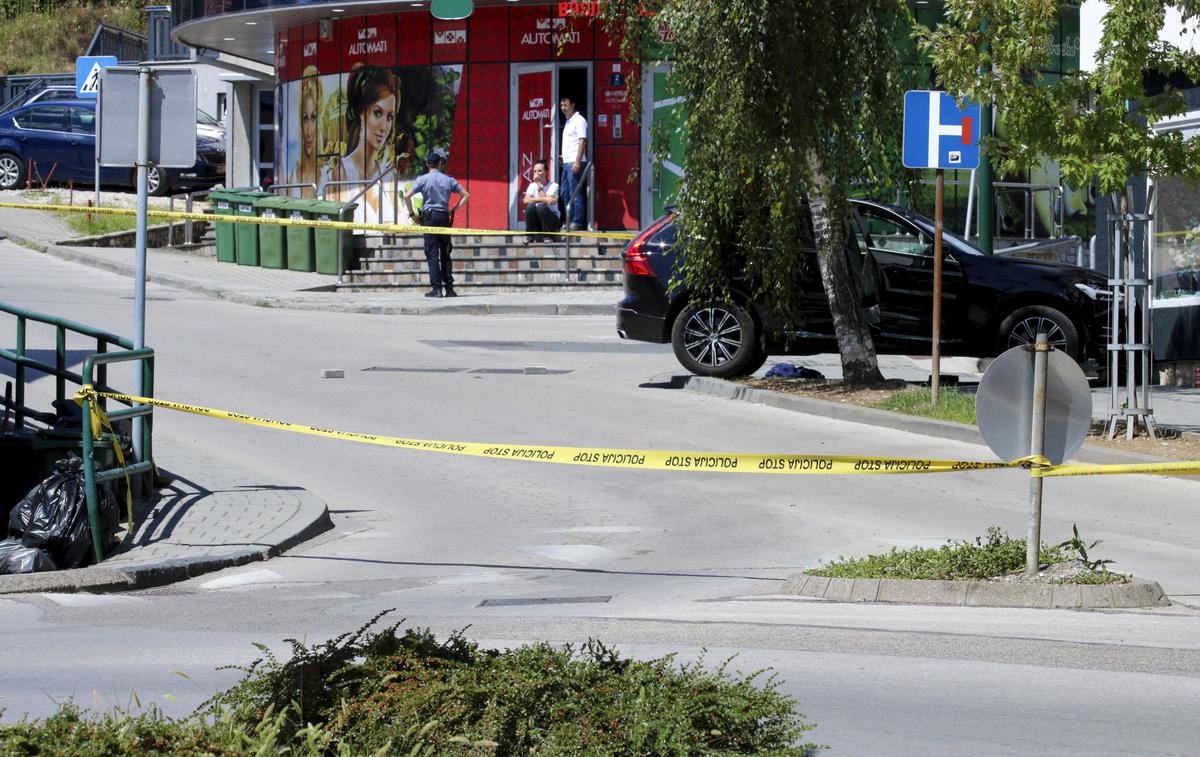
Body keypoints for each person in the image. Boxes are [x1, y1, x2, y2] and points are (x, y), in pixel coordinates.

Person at [323, 65, 399, 216]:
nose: (384, 127)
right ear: (362, 114)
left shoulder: (388, 175)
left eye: (389, 117)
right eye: (378, 113)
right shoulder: (342, 172)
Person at [404, 151, 468, 298]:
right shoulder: (448, 180)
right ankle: (450, 289)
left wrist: (413, 215)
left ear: (427, 165)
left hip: (429, 217)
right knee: (445, 253)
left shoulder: (422, 179)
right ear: (440, 164)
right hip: (444, 217)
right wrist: (454, 209)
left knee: (432, 253)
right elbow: (466, 195)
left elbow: (407, 196)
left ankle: (436, 289)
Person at [289, 68, 323, 197]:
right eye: (305, 119)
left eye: (313, 118)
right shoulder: (293, 177)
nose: (309, 131)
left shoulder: (329, 175)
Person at [558, 95, 588, 231]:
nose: (563, 108)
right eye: (561, 105)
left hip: (575, 162)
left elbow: (582, 141)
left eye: (566, 105)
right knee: (564, 192)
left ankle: (577, 222)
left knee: (575, 193)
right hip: (567, 162)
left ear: (573, 104)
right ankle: (568, 220)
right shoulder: (568, 121)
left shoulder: (579, 120)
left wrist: (577, 162)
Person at [522, 159, 560, 244]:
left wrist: (539, 185)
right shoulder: (532, 185)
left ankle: (548, 236)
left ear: (546, 172)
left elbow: (546, 203)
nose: (536, 173)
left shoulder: (554, 186)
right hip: (539, 221)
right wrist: (544, 199)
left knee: (541, 207)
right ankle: (530, 236)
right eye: (535, 171)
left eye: (539, 171)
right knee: (530, 207)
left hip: (552, 221)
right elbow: (526, 200)